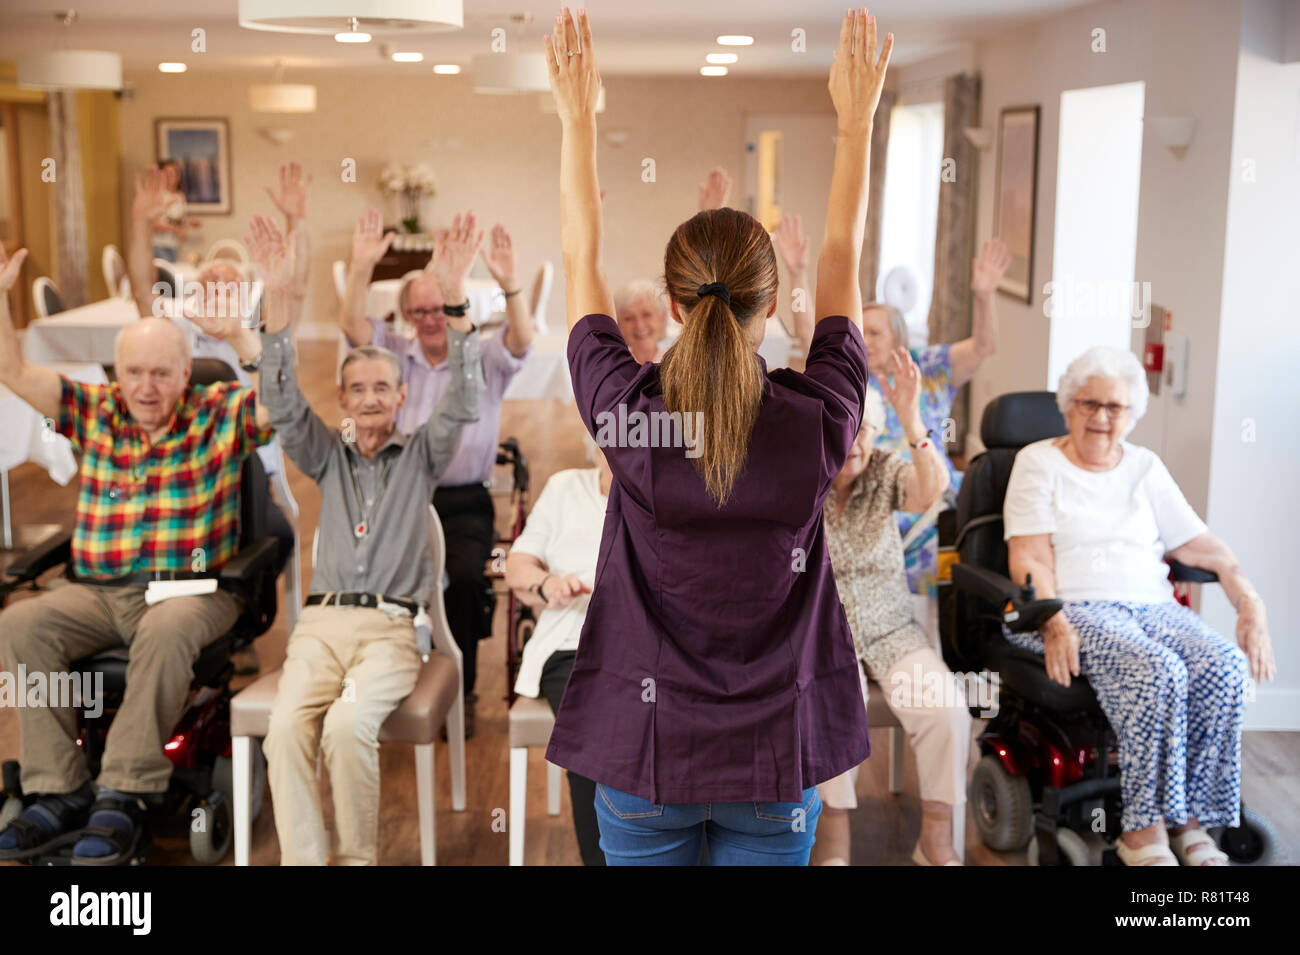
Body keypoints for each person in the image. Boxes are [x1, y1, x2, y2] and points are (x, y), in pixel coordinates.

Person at [541, 7, 891, 865]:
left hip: (646, 761)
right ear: (772, 306)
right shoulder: (818, 421)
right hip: (772, 765)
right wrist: (857, 125)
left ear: (670, 303)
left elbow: (579, 252)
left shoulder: (626, 417)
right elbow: (843, 252)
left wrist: (576, 120)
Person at [0, 244, 276, 864]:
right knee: (17, 624)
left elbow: (281, 407)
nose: (146, 387)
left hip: (192, 591)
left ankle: (122, 792)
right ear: (115, 375)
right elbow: (12, 371)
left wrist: (243, 338)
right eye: (134, 373)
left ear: (186, 373)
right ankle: (58, 789)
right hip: (97, 591)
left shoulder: (217, 414)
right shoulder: (93, 411)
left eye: (161, 373)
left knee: (166, 627)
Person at [222, 212, 482, 866]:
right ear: (342, 399)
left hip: (392, 634)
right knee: (284, 729)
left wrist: (455, 302)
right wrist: (277, 308)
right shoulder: (325, 455)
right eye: (357, 389)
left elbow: (465, 395)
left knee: (345, 725)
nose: (370, 399)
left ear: (400, 401)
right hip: (319, 628)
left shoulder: (422, 454)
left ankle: (359, 860)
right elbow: (281, 404)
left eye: (382, 389)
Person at [1003, 345, 1274, 866]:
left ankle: (1191, 821)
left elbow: (1203, 547)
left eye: (1115, 407)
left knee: (1223, 667)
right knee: (1159, 671)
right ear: (1067, 405)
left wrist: (1250, 602)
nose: (1102, 418)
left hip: (1152, 606)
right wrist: (1054, 619)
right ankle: (1142, 832)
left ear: (1132, 414)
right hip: (1077, 608)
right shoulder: (1037, 462)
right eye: (1089, 404)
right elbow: (1029, 557)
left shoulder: (1145, 467)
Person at [339, 208, 535, 735]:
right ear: (406, 317)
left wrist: (511, 283)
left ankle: (460, 688)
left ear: (454, 306)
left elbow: (521, 338)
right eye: (419, 311)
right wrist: (360, 269)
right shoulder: (393, 355)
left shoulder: (482, 358)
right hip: (399, 491)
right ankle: (387, 681)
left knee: (466, 580)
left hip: (464, 497)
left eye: (438, 307)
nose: (430, 319)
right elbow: (352, 326)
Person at [781, 214, 1012, 600]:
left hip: (929, 498)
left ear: (899, 337)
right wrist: (798, 274)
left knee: (943, 553)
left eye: (875, 333)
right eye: (860, 332)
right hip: (872, 497)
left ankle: (934, 622)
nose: (865, 340)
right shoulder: (849, 376)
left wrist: (985, 297)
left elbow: (983, 347)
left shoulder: (929, 368)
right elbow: (809, 336)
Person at [812, 355, 970, 866]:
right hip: (822, 637)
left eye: (866, 431)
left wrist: (911, 421)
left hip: (891, 632)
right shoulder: (801, 481)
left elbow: (932, 489)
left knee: (946, 709)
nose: (855, 443)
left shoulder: (884, 471)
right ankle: (834, 843)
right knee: (832, 712)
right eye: (844, 431)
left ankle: (936, 840)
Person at [504, 432, 611, 866]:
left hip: (648, 646)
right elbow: (517, 563)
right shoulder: (566, 486)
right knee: (594, 728)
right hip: (570, 644)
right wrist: (548, 583)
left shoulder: (673, 487)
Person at [150, 159, 199, 262]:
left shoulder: (180, 196)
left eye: (174, 173)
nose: (170, 177)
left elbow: (175, 220)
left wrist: (188, 223)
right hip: (158, 246)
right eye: (167, 173)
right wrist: (175, 230)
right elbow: (153, 223)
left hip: (174, 245)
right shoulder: (157, 195)